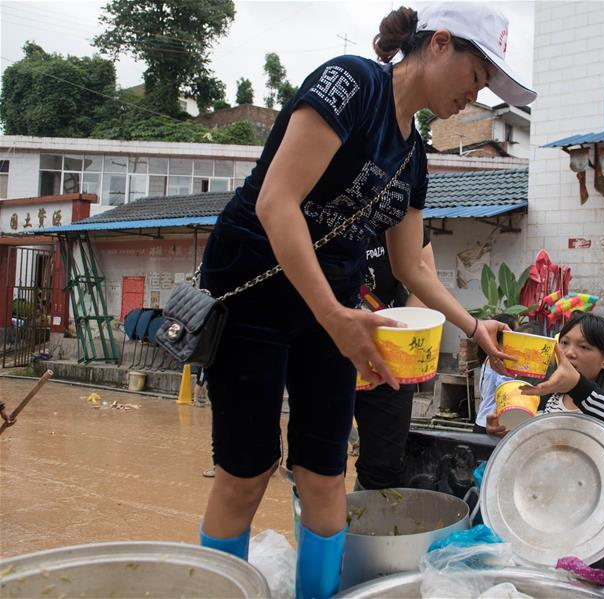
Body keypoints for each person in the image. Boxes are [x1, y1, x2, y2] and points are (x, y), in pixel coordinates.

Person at [196, 4, 535, 598]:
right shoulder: (351, 83)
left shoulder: (415, 155)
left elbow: (409, 266)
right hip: (254, 288)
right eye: (475, 79)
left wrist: (473, 326)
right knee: (245, 472)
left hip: (338, 310)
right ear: (439, 44)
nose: (473, 99)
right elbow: (278, 201)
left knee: (325, 473)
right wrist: (335, 317)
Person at [353, 229, 435, 490]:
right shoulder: (316, 210)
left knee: (383, 465)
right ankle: (317, 527)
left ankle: (367, 522)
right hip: (327, 348)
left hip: (391, 355)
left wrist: (396, 333)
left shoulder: (400, 212)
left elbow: (424, 280)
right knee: (317, 462)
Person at [487, 313, 604, 446]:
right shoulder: (545, 399)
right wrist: (506, 432)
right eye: (564, 343)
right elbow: (532, 446)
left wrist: (578, 386)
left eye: (583, 347)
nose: (569, 353)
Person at [473, 314, 519, 435]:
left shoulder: (489, 358)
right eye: (515, 335)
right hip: (491, 426)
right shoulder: (500, 363)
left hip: (481, 420)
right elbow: (506, 393)